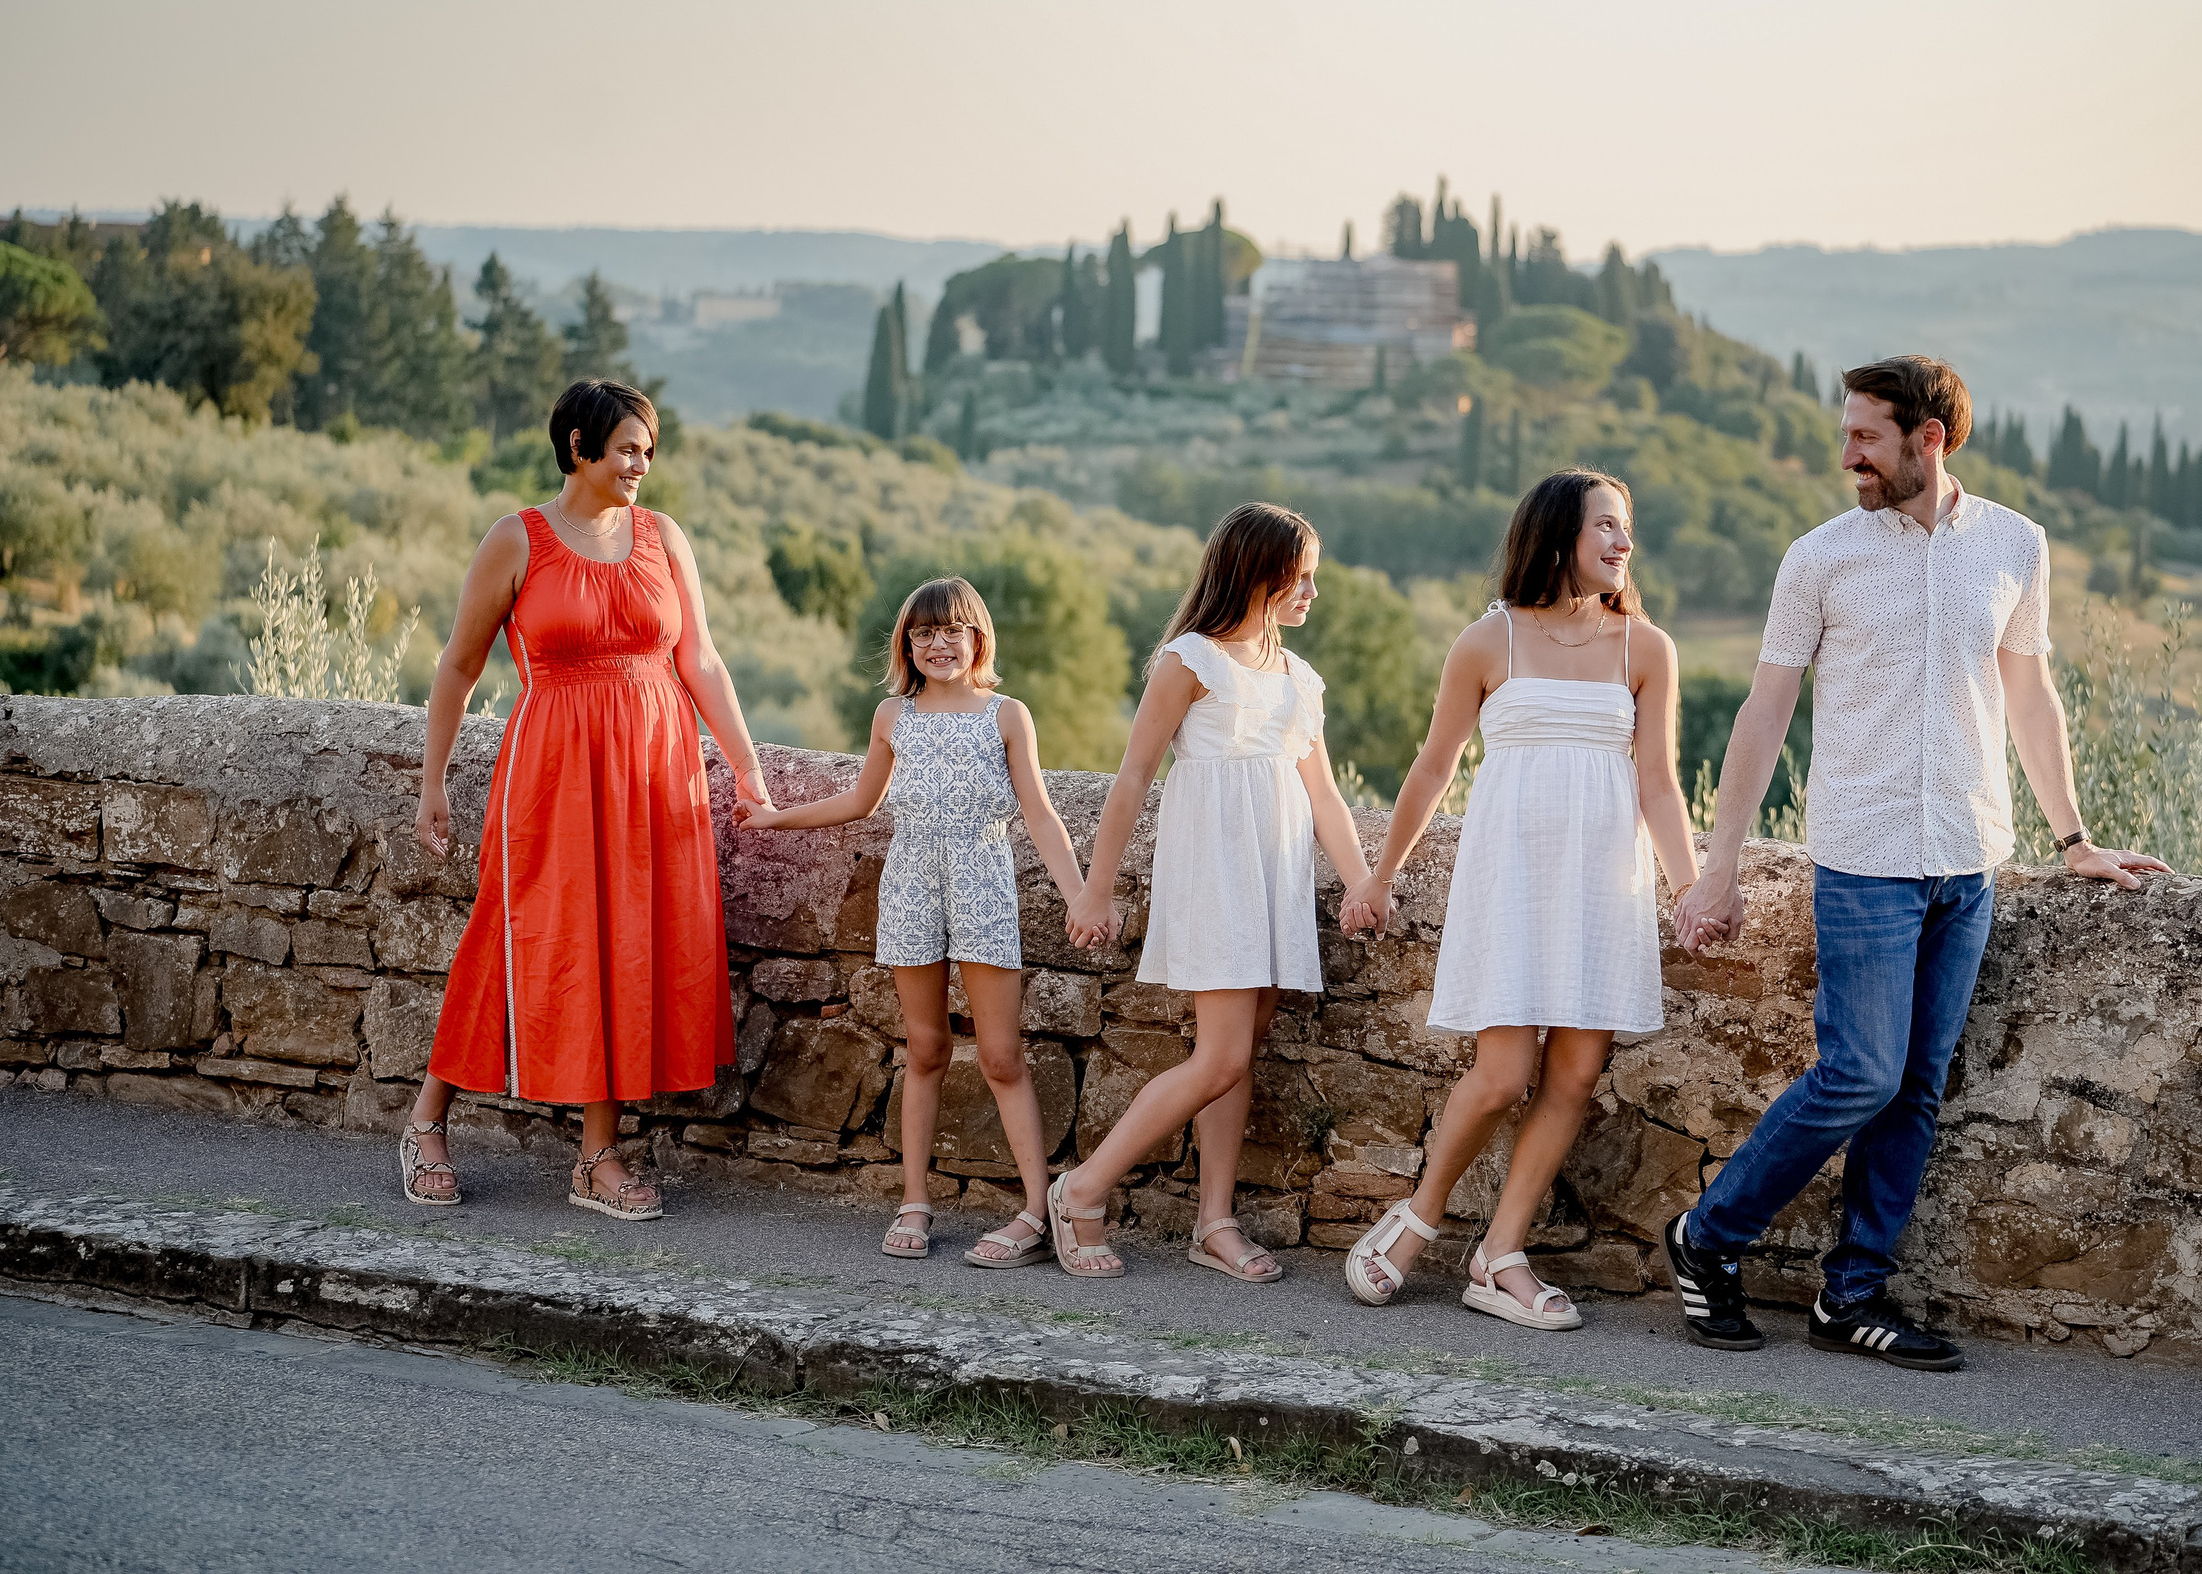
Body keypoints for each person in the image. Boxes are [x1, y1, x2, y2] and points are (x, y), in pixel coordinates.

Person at [1668, 355, 2168, 1370]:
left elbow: (2028, 697)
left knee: (1916, 1089)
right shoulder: (1819, 558)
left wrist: (2072, 839)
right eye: (1846, 434)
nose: (1846, 455)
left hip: (1971, 858)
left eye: (1865, 436)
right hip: (1863, 856)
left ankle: (1850, 1298)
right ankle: (1705, 1237)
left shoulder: (2015, 547)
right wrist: (1717, 866)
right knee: (1859, 1073)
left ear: (1927, 438)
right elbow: (1762, 716)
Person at [1336, 471, 1712, 1330]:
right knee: (1504, 1074)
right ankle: (1417, 1218)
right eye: (1607, 526)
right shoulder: (1486, 640)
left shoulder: (1645, 648)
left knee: (1575, 1074)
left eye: (1628, 528)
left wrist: (1688, 885)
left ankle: (1499, 1254)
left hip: (1601, 882)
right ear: (1557, 534)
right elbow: (1433, 767)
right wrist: (1378, 873)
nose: (1623, 542)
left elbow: (1659, 781)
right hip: (1510, 874)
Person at [402, 379, 771, 1220]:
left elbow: (701, 660)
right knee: (512, 936)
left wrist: (746, 766)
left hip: (653, 769)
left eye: (649, 449)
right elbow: (458, 666)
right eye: (628, 449)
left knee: (627, 947)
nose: (643, 464)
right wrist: (432, 782)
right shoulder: (516, 540)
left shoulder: (663, 537)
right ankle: (426, 1123)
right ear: (578, 447)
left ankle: (596, 1157)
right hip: (554, 771)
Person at [1053, 503, 1375, 1281]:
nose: (1311, 592)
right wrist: (1096, 890)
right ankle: (1082, 1189)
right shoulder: (1190, 660)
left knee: (1233, 1055)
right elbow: (1131, 779)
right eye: (1300, 577)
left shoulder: (1300, 679)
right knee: (1222, 1055)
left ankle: (1214, 1220)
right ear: (1256, 575)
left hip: (1276, 874)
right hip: (1217, 871)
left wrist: (1365, 877)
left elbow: (1325, 795)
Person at [732, 577, 1089, 1268]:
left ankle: (1037, 1212)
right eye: (924, 632)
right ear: (908, 643)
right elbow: (863, 801)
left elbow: (1041, 814)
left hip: (984, 887)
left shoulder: (1008, 715)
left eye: (952, 629)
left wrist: (1079, 895)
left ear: (977, 636)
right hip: (911, 890)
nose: (939, 643)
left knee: (1001, 1057)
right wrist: (776, 817)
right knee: (923, 1049)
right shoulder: (894, 717)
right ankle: (915, 1200)